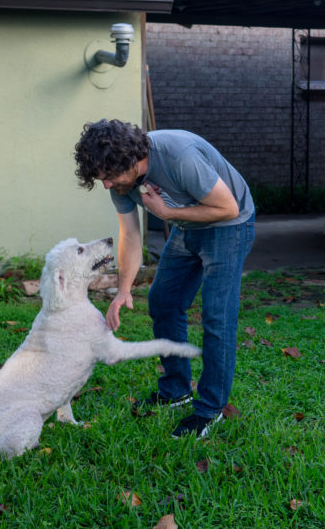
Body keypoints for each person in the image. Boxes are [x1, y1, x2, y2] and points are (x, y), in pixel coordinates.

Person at [74, 119, 255, 439]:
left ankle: (209, 410)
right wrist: (123, 289)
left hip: (230, 227)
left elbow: (227, 208)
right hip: (189, 229)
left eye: (109, 176)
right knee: (163, 302)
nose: (105, 185)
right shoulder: (121, 182)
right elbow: (129, 234)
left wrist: (168, 214)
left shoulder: (178, 157)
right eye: (100, 178)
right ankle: (176, 389)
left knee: (217, 316)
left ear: (130, 160)